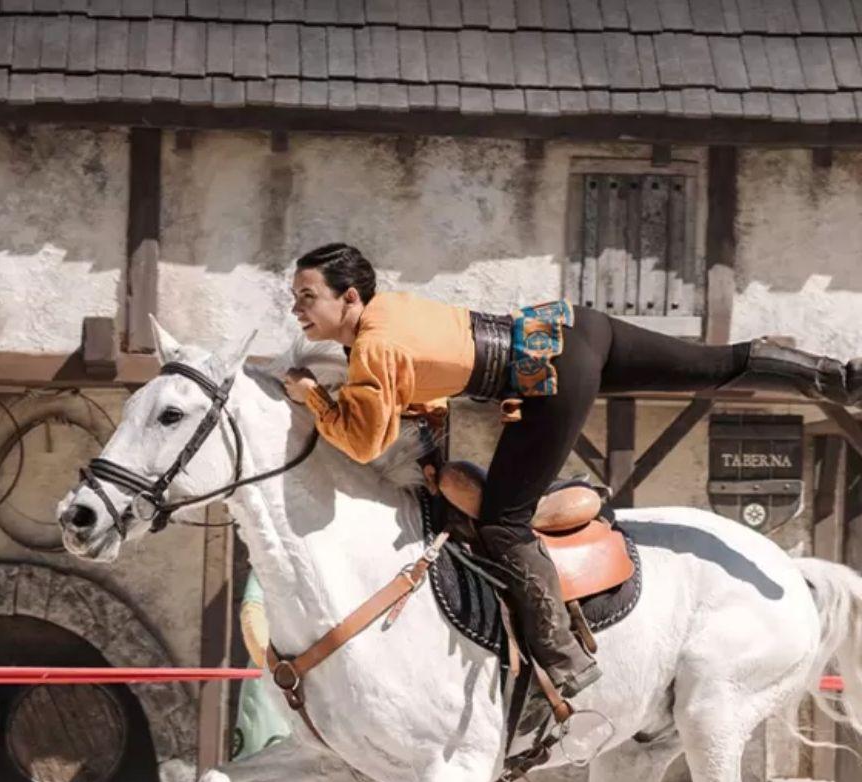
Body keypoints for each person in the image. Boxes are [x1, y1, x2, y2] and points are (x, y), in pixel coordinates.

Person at [282, 242, 861, 699]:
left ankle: (562, 656)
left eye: (307, 296)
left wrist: (311, 394)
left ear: (350, 298)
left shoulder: (373, 348)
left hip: (550, 379)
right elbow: (427, 393)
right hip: (576, 329)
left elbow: (362, 441)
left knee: (504, 524)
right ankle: (837, 377)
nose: (297, 308)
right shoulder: (395, 313)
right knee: (711, 365)